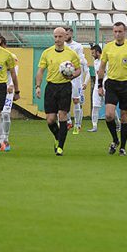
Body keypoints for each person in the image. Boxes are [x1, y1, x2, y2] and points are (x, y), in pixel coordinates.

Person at [97, 22, 127, 156]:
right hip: (112, 83)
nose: (117, 34)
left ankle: (123, 147)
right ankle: (115, 139)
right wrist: (99, 85)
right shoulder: (108, 47)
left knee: (124, 116)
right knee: (109, 115)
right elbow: (102, 67)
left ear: (124, 32)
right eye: (115, 31)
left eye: (120, 31)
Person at [34, 27, 81, 156]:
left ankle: (60, 147)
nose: (57, 39)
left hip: (65, 86)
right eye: (55, 36)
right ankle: (57, 137)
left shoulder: (71, 54)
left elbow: (78, 70)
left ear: (65, 37)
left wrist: (72, 75)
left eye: (60, 36)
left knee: (62, 115)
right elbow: (40, 71)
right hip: (51, 87)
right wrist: (38, 86)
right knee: (50, 119)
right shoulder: (47, 53)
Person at [0, 38, 19, 151]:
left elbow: (15, 72)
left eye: (1, 45)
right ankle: (0, 140)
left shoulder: (11, 57)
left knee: (5, 114)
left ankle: (6, 138)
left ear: (5, 45)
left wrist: (12, 85)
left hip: (8, 90)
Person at [64, 27, 89, 135]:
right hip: (65, 76)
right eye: (64, 34)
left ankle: (77, 125)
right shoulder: (62, 46)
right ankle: (69, 121)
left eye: (67, 34)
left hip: (76, 77)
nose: (66, 36)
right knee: (64, 100)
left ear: (71, 34)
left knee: (76, 100)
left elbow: (80, 60)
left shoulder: (78, 46)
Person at [89, 44, 103, 132]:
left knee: (109, 107)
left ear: (98, 52)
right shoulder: (95, 62)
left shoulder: (105, 61)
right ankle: (94, 126)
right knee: (95, 106)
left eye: (93, 53)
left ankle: (118, 124)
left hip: (106, 85)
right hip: (97, 86)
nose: (92, 55)